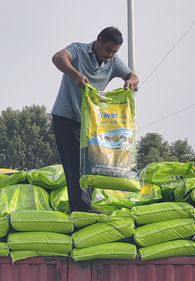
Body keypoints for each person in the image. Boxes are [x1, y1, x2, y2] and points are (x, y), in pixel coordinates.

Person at [51, 26, 139, 213]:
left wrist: (131, 81)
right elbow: (58, 57)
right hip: (67, 118)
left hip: (92, 122)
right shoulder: (79, 50)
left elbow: (132, 75)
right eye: (108, 49)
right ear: (98, 40)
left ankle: (84, 204)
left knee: (93, 162)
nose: (110, 55)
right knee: (76, 163)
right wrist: (76, 74)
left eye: (115, 52)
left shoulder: (113, 62)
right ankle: (81, 208)